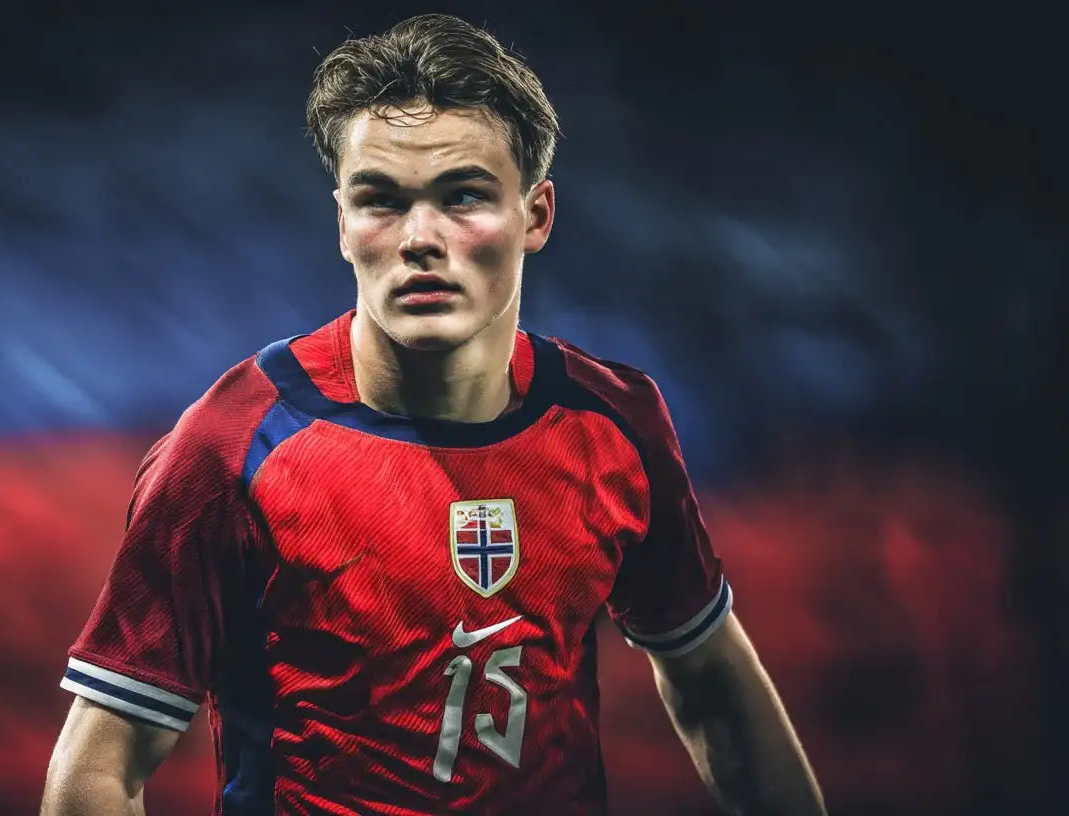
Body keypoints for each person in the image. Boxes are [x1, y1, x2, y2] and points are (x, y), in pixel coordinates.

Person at [40, 13, 826, 816]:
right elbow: (97, 768)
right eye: (382, 200)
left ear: (537, 215)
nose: (422, 238)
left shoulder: (615, 423)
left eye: (464, 197)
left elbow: (714, 687)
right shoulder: (232, 447)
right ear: (343, 222)